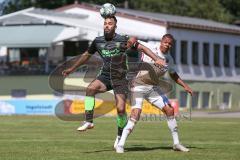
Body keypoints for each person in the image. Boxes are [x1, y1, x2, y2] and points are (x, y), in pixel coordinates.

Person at [62, 16, 165, 147]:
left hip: (120, 78)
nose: (107, 25)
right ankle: (89, 121)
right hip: (105, 76)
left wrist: (156, 58)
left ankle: (120, 135)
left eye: (110, 23)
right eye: (105, 23)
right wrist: (71, 69)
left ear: (115, 26)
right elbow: (85, 56)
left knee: (121, 110)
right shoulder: (97, 41)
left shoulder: (122, 39)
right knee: (90, 89)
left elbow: (142, 47)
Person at [115, 34, 193, 153]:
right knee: (136, 114)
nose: (168, 45)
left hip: (152, 88)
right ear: (161, 41)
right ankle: (120, 144)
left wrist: (185, 86)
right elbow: (133, 40)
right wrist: (130, 44)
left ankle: (176, 143)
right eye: (166, 42)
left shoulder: (169, 59)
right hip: (138, 85)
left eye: (170, 43)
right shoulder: (151, 46)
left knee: (170, 110)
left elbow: (173, 74)